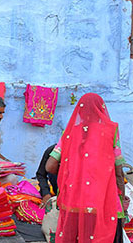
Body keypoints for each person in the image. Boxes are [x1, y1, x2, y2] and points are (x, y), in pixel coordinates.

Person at [46, 93, 128, 243]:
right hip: (102, 202)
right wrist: (122, 203)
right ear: (102, 109)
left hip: (73, 202)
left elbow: (50, 166)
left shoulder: (70, 132)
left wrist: (73, 172)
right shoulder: (111, 131)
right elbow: (118, 172)